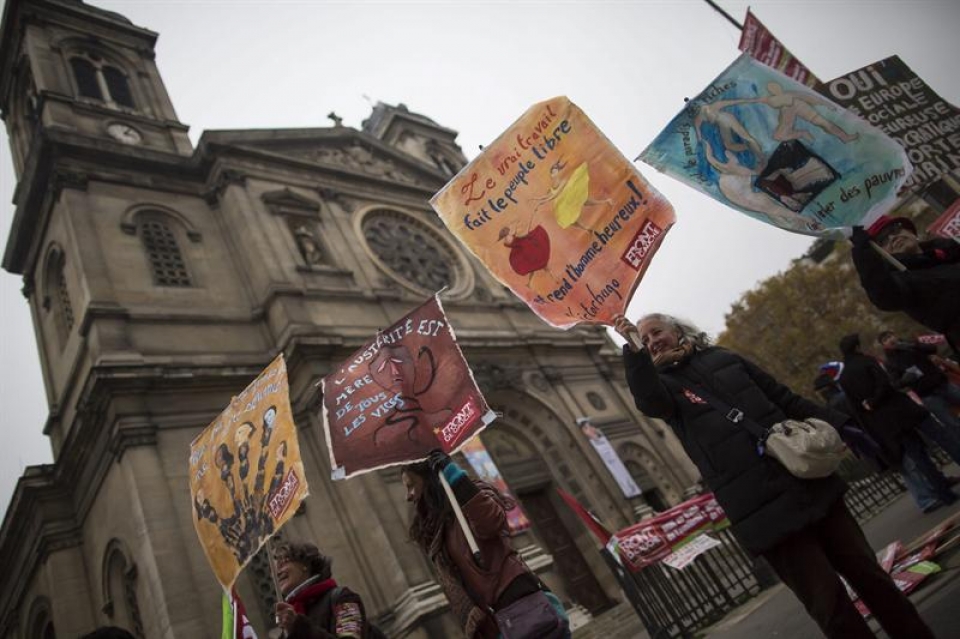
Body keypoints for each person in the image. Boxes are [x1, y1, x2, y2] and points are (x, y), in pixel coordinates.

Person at [614, 312, 934, 639]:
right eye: (646, 338)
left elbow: (782, 397)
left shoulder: (723, 357)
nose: (652, 340)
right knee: (831, 607)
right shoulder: (664, 388)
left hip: (808, 483)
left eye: (656, 332)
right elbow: (648, 400)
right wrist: (635, 352)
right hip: (762, 510)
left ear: (677, 331)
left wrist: (841, 424)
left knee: (872, 578)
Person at [400, 451, 570, 639]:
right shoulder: (439, 525)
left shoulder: (471, 494)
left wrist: (454, 476)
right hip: (491, 623)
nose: (408, 496)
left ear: (428, 478)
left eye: (411, 486)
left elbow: (491, 523)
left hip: (517, 605)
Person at [838, 333, 957, 514]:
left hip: (889, 423)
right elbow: (885, 384)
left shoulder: (844, 378)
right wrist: (876, 399)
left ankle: (944, 494)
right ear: (856, 347)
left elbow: (857, 407)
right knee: (942, 437)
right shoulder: (867, 362)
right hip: (903, 408)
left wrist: (871, 408)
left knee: (919, 457)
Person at [850, 216, 960, 357]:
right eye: (882, 240)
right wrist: (863, 251)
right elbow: (883, 295)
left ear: (910, 231)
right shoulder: (900, 280)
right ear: (881, 254)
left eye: (895, 229)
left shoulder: (949, 249)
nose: (892, 237)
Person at [273, 541, 381, 639]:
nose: (277, 572)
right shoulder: (287, 629)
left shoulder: (343, 598)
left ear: (304, 564)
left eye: (283, 562)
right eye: (274, 568)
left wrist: (300, 627)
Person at [879, 330, 960, 444]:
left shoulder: (911, 344)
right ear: (884, 345)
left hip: (942, 384)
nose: (890, 340)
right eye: (886, 340)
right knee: (952, 423)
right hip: (927, 395)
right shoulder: (890, 362)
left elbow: (932, 349)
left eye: (890, 336)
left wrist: (913, 345)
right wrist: (905, 379)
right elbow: (895, 384)